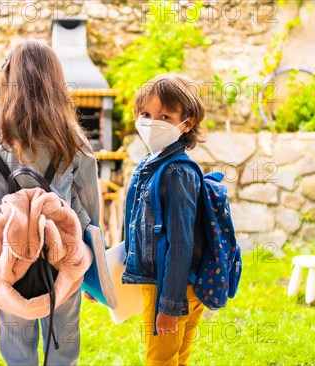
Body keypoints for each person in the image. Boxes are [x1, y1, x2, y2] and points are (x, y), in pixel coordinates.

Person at [0, 40, 100, 365]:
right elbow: (92, 217)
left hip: (8, 263)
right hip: (64, 260)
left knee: (17, 353)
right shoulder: (75, 142)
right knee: (63, 350)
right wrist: (93, 276)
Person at [123, 73, 206, 365]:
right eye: (146, 114)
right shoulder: (152, 165)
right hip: (172, 284)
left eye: (166, 116)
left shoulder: (175, 173)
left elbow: (181, 245)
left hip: (171, 288)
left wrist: (169, 306)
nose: (152, 122)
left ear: (188, 123)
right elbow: (138, 232)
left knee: (160, 360)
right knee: (175, 359)